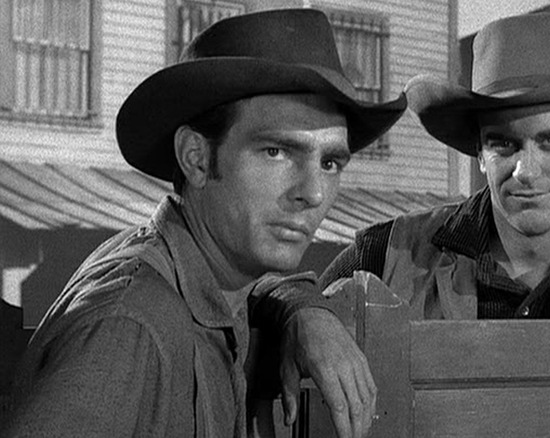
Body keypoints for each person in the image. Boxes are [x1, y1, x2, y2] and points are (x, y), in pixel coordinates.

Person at [1, 9, 406, 438]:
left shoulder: (206, 277)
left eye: (329, 162)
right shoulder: (129, 326)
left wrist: (303, 309)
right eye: (277, 152)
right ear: (196, 157)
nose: (314, 193)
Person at [321, 12, 550, 320]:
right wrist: (298, 310)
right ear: (479, 151)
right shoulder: (385, 257)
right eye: (504, 144)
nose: (525, 171)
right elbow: (278, 324)